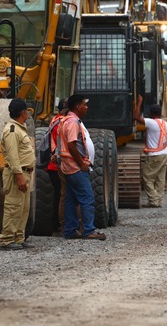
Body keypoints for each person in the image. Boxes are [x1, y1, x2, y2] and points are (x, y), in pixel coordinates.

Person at [58, 93, 106, 240]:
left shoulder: (66, 120)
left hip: (68, 167)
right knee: (87, 198)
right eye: (84, 105)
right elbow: (72, 144)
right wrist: (81, 163)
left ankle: (70, 230)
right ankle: (89, 230)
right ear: (77, 106)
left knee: (71, 200)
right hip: (76, 168)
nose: (87, 107)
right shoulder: (73, 122)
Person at [0, 98, 36, 250]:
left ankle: (19, 237)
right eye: (26, 111)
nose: (28, 113)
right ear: (22, 112)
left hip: (24, 173)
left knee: (23, 208)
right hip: (17, 174)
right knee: (13, 206)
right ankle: (7, 239)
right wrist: (19, 175)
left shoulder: (20, 129)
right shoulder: (12, 130)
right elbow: (13, 155)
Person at [135, 103, 167, 208]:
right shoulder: (165, 124)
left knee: (146, 177)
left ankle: (154, 200)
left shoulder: (151, 123)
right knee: (160, 179)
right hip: (164, 154)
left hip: (154, 156)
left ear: (150, 113)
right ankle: (158, 200)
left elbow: (136, 117)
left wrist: (139, 102)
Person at [45, 99, 68, 236]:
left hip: (52, 164)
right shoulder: (62, 122)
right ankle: (58, 224)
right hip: (58, 164)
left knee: (57, 195)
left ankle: (56, 224)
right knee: (61, 196)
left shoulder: (54, 120)